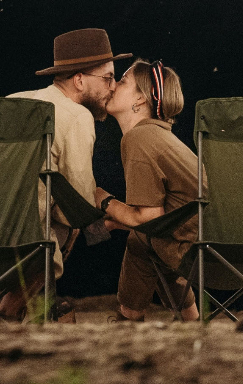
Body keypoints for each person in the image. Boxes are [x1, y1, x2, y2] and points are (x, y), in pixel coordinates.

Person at [0, 28, 131, 321]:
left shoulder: (12, 100)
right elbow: (76, 206)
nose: (113, 87)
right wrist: (108, 219)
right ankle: (5, 313)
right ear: (79, 80)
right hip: (20, 248)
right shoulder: (77, 117)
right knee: (70, 226)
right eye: (108, 77)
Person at [95, 59, 207, 322]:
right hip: (205, 238)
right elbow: (170, 215)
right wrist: (116, 221)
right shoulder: (158, 135)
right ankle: (190, 322)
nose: (112, 86)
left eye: (122, 81)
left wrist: (101, 199)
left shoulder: (140, 138)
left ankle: (128, 320)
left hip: (193, 248)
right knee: (144, 242)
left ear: (140, 100)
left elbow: (148, 218)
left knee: (142, 240)